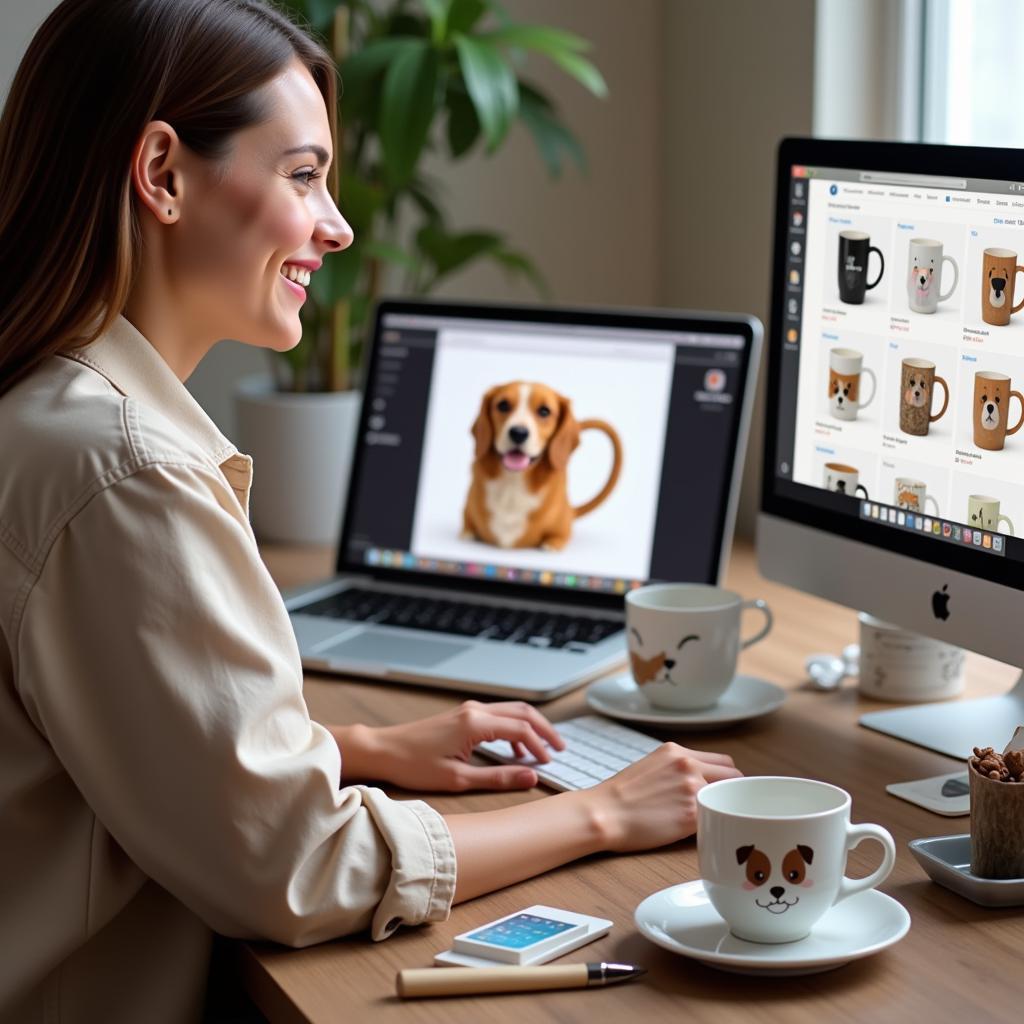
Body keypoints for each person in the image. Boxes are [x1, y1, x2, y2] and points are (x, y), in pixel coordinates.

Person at [0, 2, 741, 1021]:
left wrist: (356, 744)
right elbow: (298, 868)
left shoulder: (44, 409)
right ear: (163, 174)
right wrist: (605, 812)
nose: (337, 224)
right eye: (303, 176)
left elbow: (106, 732)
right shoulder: (123, 470)